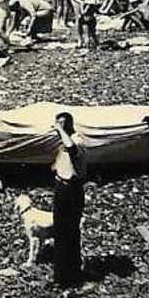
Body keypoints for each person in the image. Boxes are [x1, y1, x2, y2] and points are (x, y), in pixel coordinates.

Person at [51, 112, 87, 288]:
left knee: (70, 232)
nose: (59, 127)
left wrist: (59, 129)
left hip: (72, 190)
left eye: (63, 124)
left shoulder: (77, 140)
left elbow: (72, 148)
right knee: (59, 232)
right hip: (61, 187)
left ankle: (72, 274)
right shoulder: (61, 143)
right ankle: (61, 276)